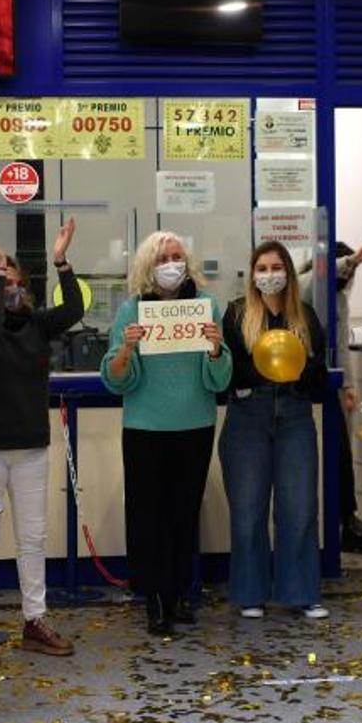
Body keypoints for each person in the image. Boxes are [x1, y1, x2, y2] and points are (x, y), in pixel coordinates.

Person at [0, 219, 84, 667]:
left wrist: (61, 261)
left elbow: (72, 311)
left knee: (33, 537)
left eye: (15, 280)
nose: (12, 286)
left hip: (30, 446)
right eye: (2, 279)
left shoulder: (35, 323)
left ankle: (35, 619)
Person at [101, 231, 232, 635]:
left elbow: (220, 378)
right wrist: (126, 350)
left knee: (183, 512)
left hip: (195, 424)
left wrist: (214, 349)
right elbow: (114, 379)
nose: (171, 264)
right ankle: (153, 598)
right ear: (148, 267)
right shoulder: (132, 311)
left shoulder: (206, 306)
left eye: (177, 257)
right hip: (145, 427)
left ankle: (179, 592)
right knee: (147, 515)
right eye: (162, 258)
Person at [220, 241, 329, 619]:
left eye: (276, 267)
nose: (270, 274)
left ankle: (300, 592)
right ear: (252, 274)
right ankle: (250, 595)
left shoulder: (306, 317)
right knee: (248, 511)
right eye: (262, 268)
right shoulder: (236, 316)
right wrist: (266, 369)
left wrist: (301, 371)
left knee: (299, 508)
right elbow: (227, 376)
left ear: (288, 273)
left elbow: (318, 379)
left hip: (295, 416)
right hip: (248, 416)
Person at [300, 241, 362, 551]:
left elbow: (340, 345)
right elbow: (321, 275)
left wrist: (346, 386)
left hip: (329, 384)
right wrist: (354, 259)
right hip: (305, 384)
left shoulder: (337, 298)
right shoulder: (306, 287)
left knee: (341, 458)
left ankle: (346, 521)